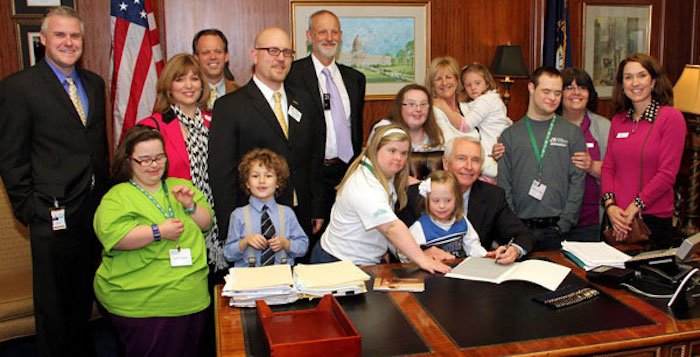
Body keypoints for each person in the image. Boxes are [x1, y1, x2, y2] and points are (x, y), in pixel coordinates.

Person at [0, 7, 108, 355]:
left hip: (92, 212)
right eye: (60, 35)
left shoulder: (93, 83)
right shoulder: (19, 88)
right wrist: (30, 209)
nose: (68, 42)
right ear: (43, 39)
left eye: (75, 36)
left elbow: (97, 146)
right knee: (55, 309)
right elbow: (11, 157)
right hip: (51, 214)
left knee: (83, 301)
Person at [93, 126, 211, 357]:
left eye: (159, 157)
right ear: (129, 161)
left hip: (192, 298)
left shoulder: (181, 186)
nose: (153, 165)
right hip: (143, 303)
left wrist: (190, 206)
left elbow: (206, 223)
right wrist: (158, 232)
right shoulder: (117, 196)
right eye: (144, 160)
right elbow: (115, 238)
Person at [208, 27, 324, 245]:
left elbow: (314, 159)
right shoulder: (230, 107)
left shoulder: (306, 102)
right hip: (253, 223)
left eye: (287, 52)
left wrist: (317, 207)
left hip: (300, 218)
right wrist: (232, 229)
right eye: (272, 51)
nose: (281, 58)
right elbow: (221, 174)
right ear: (255, 55)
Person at [310, 124, 451, 274]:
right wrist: (422, 259)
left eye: (404, 153)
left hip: (359, 263)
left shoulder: (383, 173)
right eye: (392, 151)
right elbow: (391, 228)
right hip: (336, 264)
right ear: (375, 149)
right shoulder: (364, 185)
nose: (399, 158)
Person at [285, 10, 366, 258]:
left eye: (334, 32)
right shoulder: (292, 75)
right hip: (311, 176)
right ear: (310, 36)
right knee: (313, 249)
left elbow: (355, 129)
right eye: (322, 31)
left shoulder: (355, 79)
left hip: (348, 176)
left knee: (348, 248)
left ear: (340, 36)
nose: (329, 37)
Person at [138, 53, 228, 274]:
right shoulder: (151, 127)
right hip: (173, 227)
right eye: (180, 79)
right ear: (168, 86)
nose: (189, 85)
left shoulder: (217, 122)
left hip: (215, 223)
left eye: (195, 79)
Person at [399, 136, 535, 265]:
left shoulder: (493, 196)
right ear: (446, 163)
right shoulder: (415, 195)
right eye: (461, 158)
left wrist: (514, 250)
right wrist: (421, 254)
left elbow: (522, 235)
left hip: (474, 278)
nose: (469, 167)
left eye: (475, 160)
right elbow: (396, 243)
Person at [602, 53, 686, 248]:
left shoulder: (670, 118)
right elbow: (608, 167)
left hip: (651, 223)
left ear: (654, 81)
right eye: (628, 77)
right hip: (615, 220)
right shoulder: (618, 121)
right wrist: (610, 206)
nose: (635, 83)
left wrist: (633, 208)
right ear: (622, 85)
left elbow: (667, 174)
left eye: (641, 75)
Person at [497, 67, 586, 251]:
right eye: (546, 91)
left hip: (559, 230)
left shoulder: (572, 133)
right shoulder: (509, 135)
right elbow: (504, 186)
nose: (552, 98)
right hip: (520, 231)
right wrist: (514, 225)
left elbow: (577, 182)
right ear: (531, 88)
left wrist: (564, 224)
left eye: (557, 93)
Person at [224, 148, 309, 267]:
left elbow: (303, 247)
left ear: (278, 182)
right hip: (249, 278)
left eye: (268, 176)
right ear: (247, 183)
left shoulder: (287, 213)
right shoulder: (238, 215)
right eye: (255, 176)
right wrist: (245, 242)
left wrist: (286, 244)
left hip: (280, 277)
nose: (262, 181)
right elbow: (228, 254)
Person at [560, 68, 610, 241]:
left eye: (582, 87)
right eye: (569, 87)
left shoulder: (604, 127)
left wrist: (591, 166)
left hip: (591, 220)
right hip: (553, 221)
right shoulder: (547, 126)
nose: (576, 92)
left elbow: (617, 173)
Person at [402, 170, 487, 262]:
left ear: (457, 199)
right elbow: (403, 254)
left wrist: (486, 256)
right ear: (427, 201)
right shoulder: (420, 227)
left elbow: (473, 246)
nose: (442, 206)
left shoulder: (462, 220)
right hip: (433, 273)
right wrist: (423, 255)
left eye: (448, 200)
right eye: (436, 201)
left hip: (460, 270)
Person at [425, 57, 487, 174]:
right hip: (453, 171)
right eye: (438, 79)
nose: (444, 83)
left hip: (478, 166)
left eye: (448, 77)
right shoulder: (433, 110)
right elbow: (450, 142)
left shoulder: (467, 106)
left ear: (457, 80)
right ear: (432, 85)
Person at [369, 84, 444, 179]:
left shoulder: (436, 133)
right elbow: (373, 168)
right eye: (411, 104)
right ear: (400, 107)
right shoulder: (385, 129)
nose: (418, 109)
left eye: (423, 104)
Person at [459, 63, 511, 182]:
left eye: (477, 83)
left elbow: (466, 125)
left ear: (486, 83)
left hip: (490, 155)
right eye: (468, 85)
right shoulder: (492, 98)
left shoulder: (485, 101)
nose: (473, 88)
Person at [192, 28, 240, 110]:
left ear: (226, 56)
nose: (213, 57)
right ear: (196, 58)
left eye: (218, 52)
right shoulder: (187, 94)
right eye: (206, 52)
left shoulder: (240, 94)